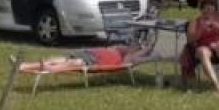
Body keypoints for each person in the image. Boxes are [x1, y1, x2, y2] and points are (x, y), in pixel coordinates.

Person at [17, 43, 152, 73]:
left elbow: (133, 60)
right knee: (63, 58)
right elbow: (117, 46)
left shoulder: (126, 59)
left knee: (76, 62)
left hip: (95, 61)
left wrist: (146, 48)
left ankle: (51, 69)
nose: (133, 46)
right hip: (90, 52)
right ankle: (23, 66)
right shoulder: (120, 48)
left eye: (136, 47)